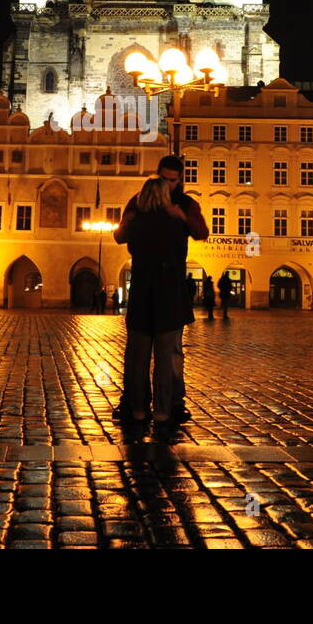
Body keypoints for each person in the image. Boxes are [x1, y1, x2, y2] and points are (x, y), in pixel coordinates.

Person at [113, 155, 208, 428]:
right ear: (157, 177)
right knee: (161, 353)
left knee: (155, 353)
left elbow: (201, 232)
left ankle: (160, 404)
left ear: (180, 180)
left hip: (154, 288)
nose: (168, 184)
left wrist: (183, 218)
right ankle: (155, 406)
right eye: (164, 179)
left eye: (172, 180)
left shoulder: (185, 204)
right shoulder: (141, 202)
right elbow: (122, 232)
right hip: (165, 289)